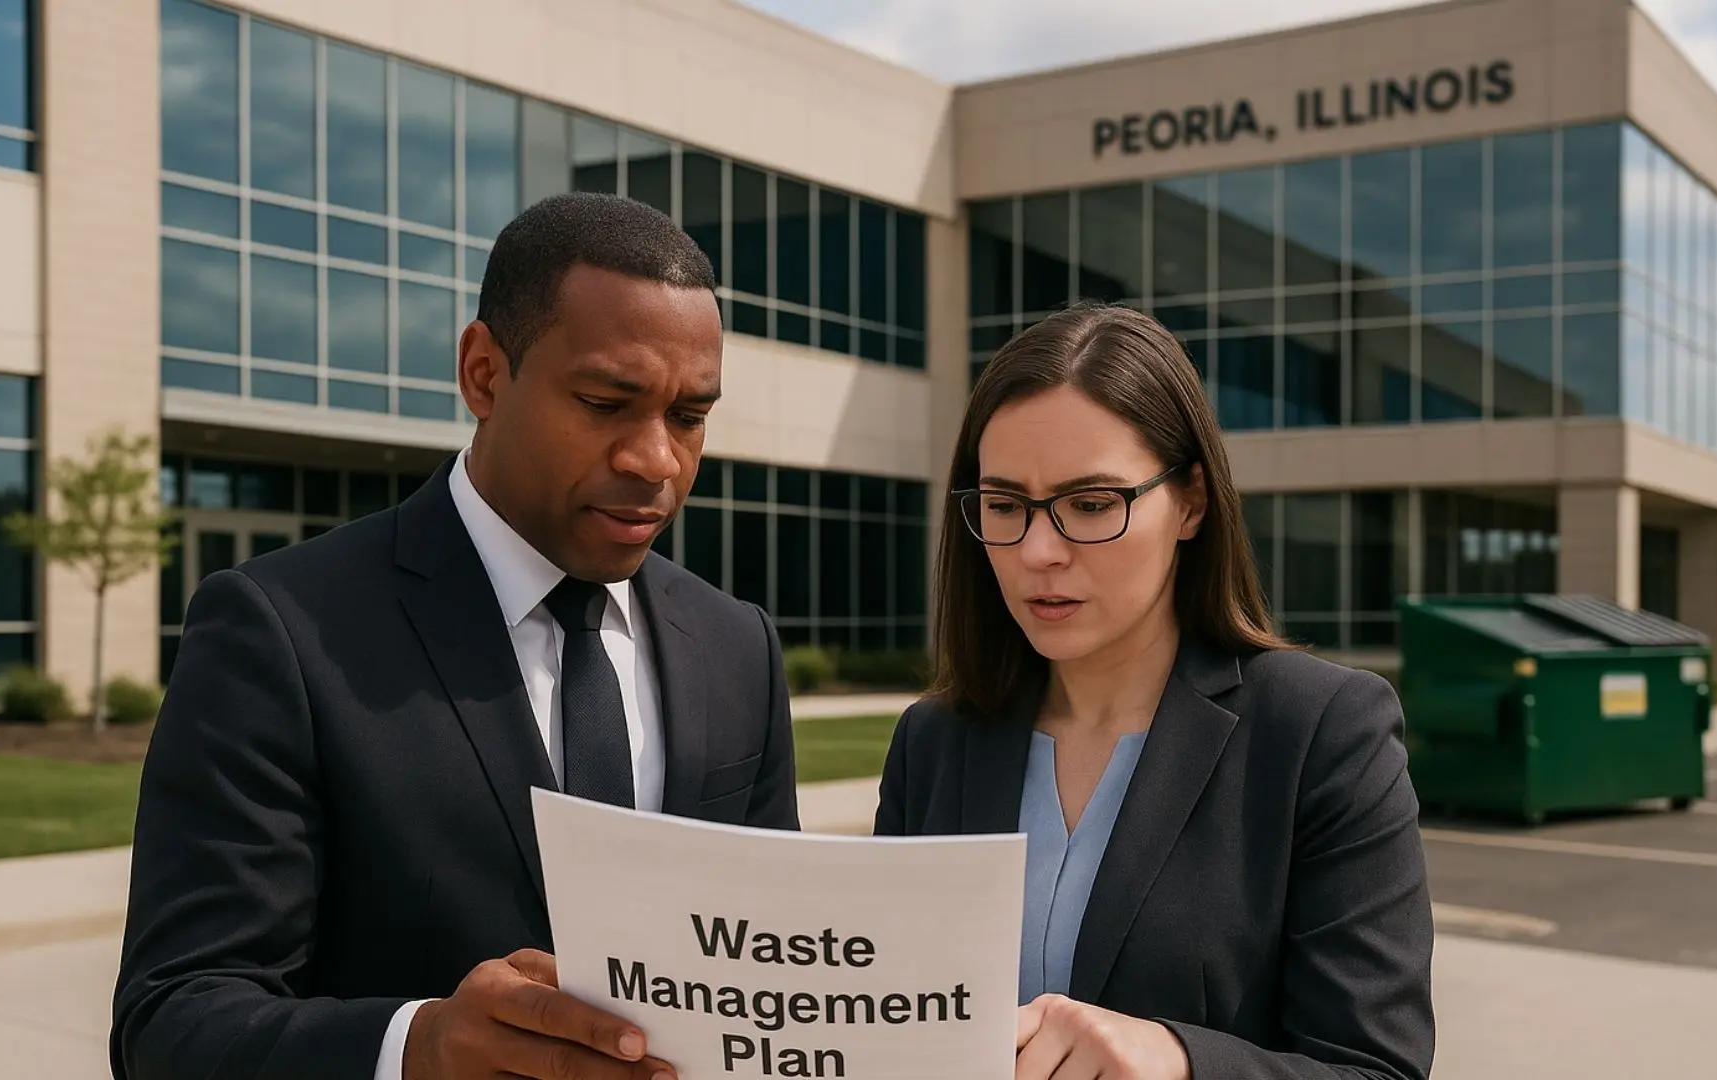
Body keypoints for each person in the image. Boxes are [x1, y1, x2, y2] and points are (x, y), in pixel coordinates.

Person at [112, 193, 800, 1080]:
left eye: (688, 417)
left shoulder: (737, 646)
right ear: (483, 372)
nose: (656, 461)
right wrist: (416, 1048)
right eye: (604, 401)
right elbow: (173, 1022)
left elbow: (774, 982)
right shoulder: (279, 632)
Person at [874, 303, 1434, 1080]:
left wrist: (1179, 1060)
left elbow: (1377, 1069)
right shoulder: (933, 743)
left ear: (1193, 502)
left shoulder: (1321, 732)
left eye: (1092, 505)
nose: (1039, 551)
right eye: (1004, 506)